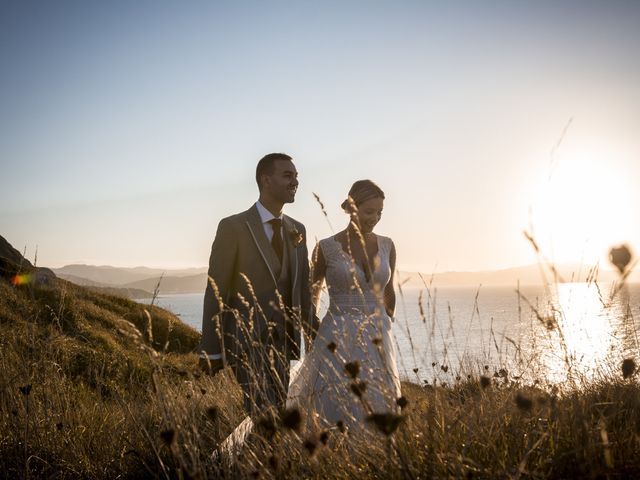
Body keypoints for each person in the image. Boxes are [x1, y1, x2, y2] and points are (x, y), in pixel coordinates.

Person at [200, 153, 318, 417]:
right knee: (261, 413)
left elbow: (302, 290)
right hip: (247, 342)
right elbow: (215, 290)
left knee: (275, 410)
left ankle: (262, 457)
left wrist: (319, 334)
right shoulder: (233, 227)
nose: (295, 182)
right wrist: (211, 350)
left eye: (296, 176)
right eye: (287, 175)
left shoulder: (297, 229)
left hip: (285, 343)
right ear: (266, 180)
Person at [287, 179, 402, 435]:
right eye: (369, 211)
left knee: (377, 401)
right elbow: (311, 295)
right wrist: (311, 338)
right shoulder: (325, 247)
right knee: (332, 401)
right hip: (335, 337)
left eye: (380, 212)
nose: (375, 218)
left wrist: (387, 323)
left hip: (377, 337)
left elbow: (388, 290)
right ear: (352, 207)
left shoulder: (388, 245)